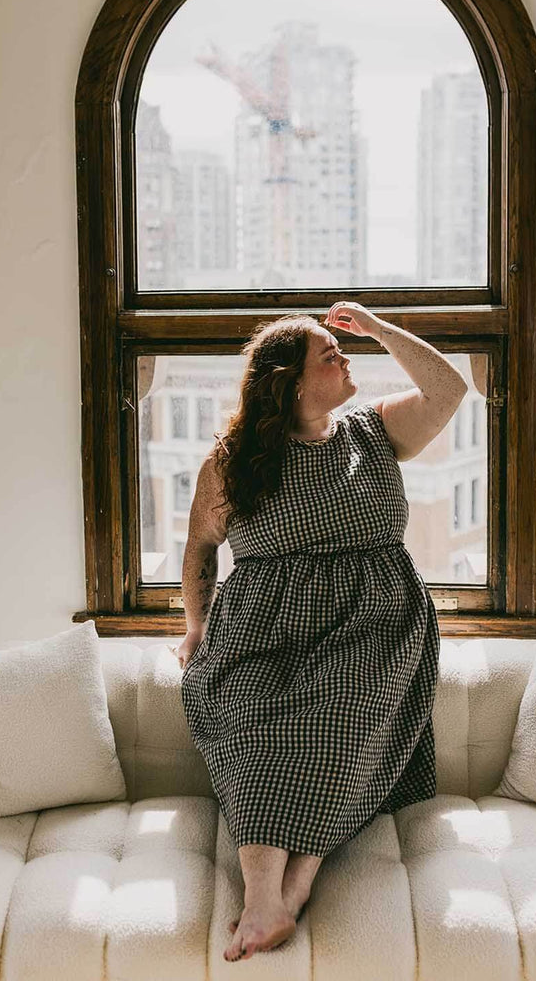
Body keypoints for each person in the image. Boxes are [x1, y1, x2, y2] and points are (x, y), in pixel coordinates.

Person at [173, 300, 468, 963]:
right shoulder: (234, 460)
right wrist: (197, 630)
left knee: (331, 721)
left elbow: (448, 388)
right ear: (291, 382)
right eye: (328, 355)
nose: (346, 359)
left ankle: (290, 888)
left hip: (374, 631)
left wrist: (376, 327)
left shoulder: (374, 431)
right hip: (263, 639)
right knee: (251, 721)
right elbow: (198, 549)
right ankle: (265, 897)